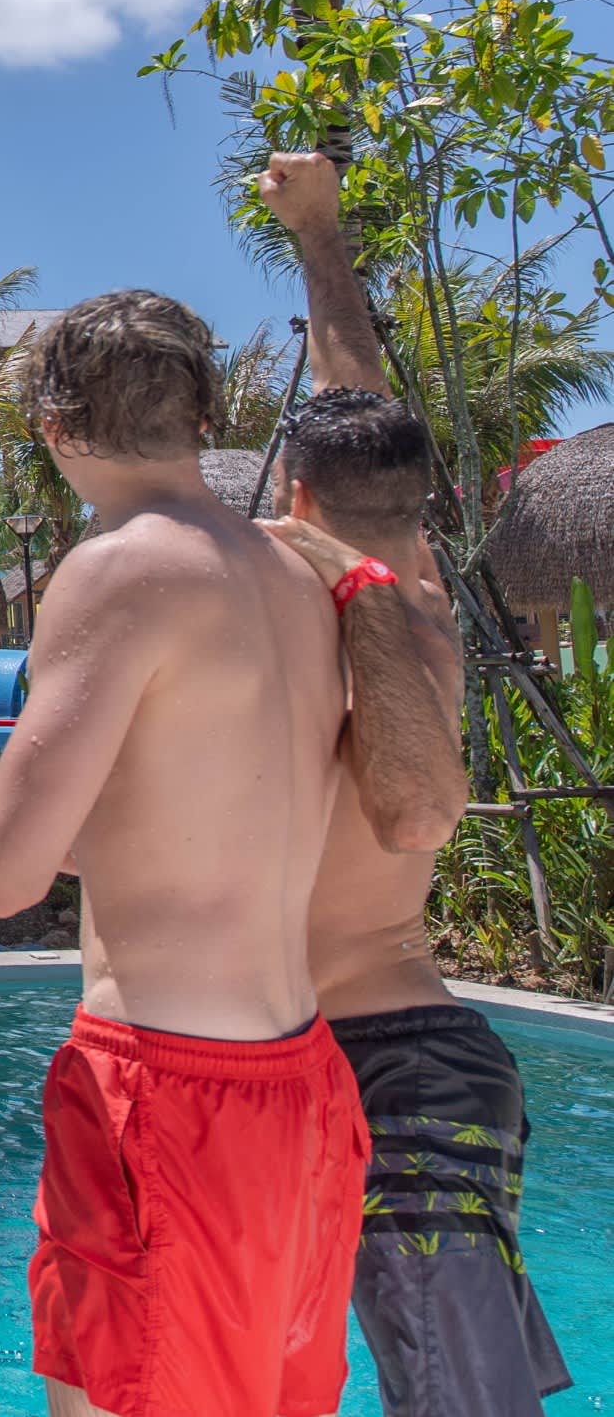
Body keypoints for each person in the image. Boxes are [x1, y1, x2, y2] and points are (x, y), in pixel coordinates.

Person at [0, 288, 418, 1417]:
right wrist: (16, 824)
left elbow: (3, 880)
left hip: (165, 1095)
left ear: (50, 425)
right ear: (203, 416)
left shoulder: (117, 568)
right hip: (300, 1092)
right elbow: (196, 835)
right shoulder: (289, 577)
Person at [260, 149, 572, 1416]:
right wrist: (318, 238)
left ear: (293, 495)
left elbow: (409, 812)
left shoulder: (325, 618)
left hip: (395, 1074)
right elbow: (356, 411)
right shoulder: (414, 593)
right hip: (404, 1062)